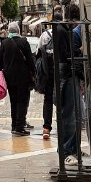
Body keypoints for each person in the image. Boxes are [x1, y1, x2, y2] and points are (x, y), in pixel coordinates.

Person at [55, 1, 84, 165]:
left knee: (75, 114)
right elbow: (66, 55)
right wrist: (79, 51)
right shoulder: (63, 31)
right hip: (67, 75)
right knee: (70, 115)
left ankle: (73, 148)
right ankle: (66, 150)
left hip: (68, 75)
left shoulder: (63, 30)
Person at [0, 20, 35, 135]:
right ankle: (20, 127)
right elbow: (30, 60)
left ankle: (14, 126)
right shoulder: (24, 42)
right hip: (23, 77)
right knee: (22, 101)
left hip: (9, 77)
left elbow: (0, 62)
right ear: (18, 30)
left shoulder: (5, 43)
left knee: (13, 101)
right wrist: (34, 72)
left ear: (9, 31)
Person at [37, 8, 62, 139]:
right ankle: (62, 125)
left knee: (48, 99)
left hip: (48, 72)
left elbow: (38, 53)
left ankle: (46, 127)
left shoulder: (44, 35)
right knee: (62, 98)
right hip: (61, 71)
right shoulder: (64, 33)